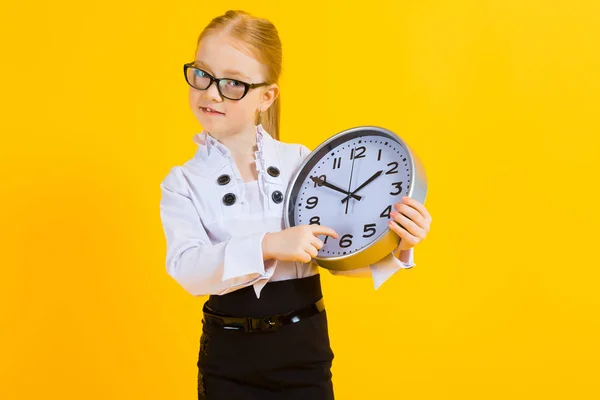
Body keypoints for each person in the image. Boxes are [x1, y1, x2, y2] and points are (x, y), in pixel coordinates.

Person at [159, 9, 433, 400]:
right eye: (202, 74)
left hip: (302, 350)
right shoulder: (183, 182)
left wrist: (400, 246)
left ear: (266, 96)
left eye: (233, 83)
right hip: (228, 353)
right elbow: (187, 269)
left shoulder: (302, 164)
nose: (211, 92)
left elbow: (337, 257)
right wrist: (269, 243)